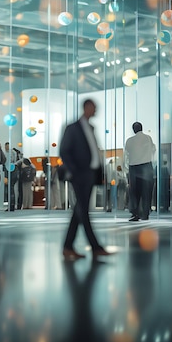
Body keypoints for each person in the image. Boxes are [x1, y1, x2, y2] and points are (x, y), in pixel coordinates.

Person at [59, 99, 112, 261]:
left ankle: (68, 247)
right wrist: (74, 170)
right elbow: (64, 150)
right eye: (94, 108)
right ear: (86, 107)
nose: (96, 111)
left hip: (90, 174)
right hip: (79, 175)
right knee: (84, 212)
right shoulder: (72, 128)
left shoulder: (90, 127)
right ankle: (96, 247)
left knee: (78, 212)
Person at [124, 122, 156, 221]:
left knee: (134, 193)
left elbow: (127, 153)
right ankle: (145, 214)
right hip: (146, 165)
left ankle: (135, 214)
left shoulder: (129, 141)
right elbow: (153, 150)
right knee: (146, 192)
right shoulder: (148, 138)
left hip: (134, 167)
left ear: (134, 130)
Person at [4, 142, 21, 211]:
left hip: (11, 172)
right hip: (10, 172)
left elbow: (14, 162)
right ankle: (11, 205)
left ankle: (12, 205)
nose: (6, 148)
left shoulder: (12, 153)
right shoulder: (7, 153)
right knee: (10, 190)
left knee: (11, 190)